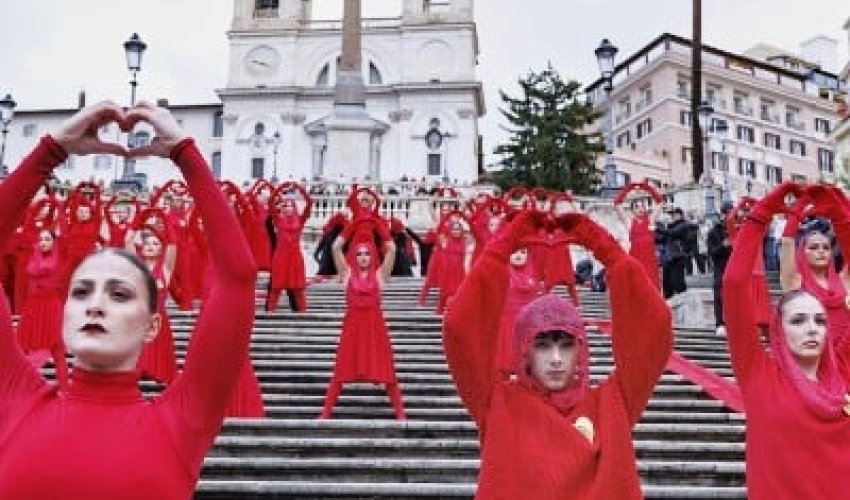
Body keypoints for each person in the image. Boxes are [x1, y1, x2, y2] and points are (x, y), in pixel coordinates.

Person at [0, 101, 257, 498]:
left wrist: (185, 153)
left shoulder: (181, 421)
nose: (95, 304)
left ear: (153, 324)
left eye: (119, 294)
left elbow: (237, 278)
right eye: (81, 291)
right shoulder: (16, 399)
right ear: (65, 312)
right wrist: (52, 149)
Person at [444, 211, 672, 499]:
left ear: (581, 350)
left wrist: (607, 249)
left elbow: (656, 326)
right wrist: (504, 244)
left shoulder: (613, 402)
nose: (555, 358)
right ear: (524, 351)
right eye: (542, 345)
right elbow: (458, 328)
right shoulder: (496, 402)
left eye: (566, 345)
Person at [723, 181, 850, 500]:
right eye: (798, 320)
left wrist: (842, 219)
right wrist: (761, 215)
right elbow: (735, 284)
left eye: (820, 321)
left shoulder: (844, 371)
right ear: (778, 331)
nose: (813, 328)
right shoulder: (759, 376)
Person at [319, 217, 405, 420]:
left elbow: (391, 249)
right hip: (353, 329)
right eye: (359, 254)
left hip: (375, 330)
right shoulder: (347, 274)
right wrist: (353, 225)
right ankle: (325, 413)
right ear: (354, 257)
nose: (363, 257)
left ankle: (401, 414)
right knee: (341, 372)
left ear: (372, 255)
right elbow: (336, 247)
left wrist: (377, 225)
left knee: (387, 372)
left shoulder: (379, 276)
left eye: (367, 253)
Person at [779, 185, 850, 351]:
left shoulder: (842, 279)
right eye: (814, 247)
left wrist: (840, 213)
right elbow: (788, 242)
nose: (821, 251)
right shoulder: (795, 282)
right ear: (802, 252)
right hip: (814, 356)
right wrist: (798, 209)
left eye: (826, 247)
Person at [707, 202, 734, 335]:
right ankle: (720, 323)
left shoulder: (738, 228)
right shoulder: (714, 232)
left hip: (735, 267)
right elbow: (711, 253)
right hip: (721, 267)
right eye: (728, 212)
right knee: (719, 295)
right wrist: (723, 245)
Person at [658, 207, 692, 299]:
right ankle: (669, 307)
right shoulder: (670, 226)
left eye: (674, 214)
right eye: (671, 214)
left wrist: (656, 228)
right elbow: (661, 240)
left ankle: (685, 304)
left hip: (678, 257)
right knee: (667, 285)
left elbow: (672, 233)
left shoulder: (684, 224)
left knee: (678, 283)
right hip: (668, 258)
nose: (672, 216)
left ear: (680, 215)